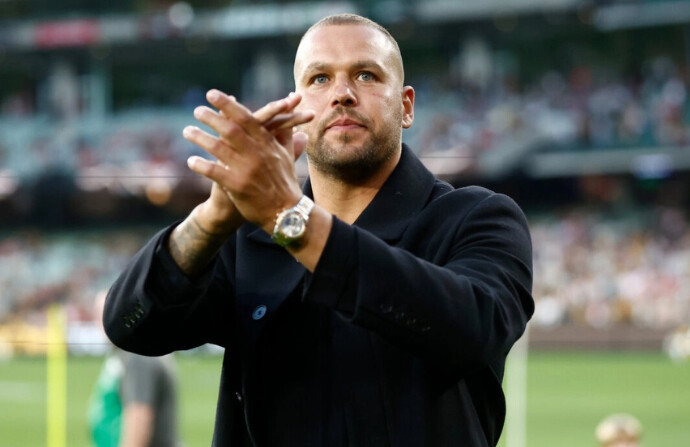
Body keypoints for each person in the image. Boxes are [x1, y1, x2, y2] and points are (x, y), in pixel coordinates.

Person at [103, 13, 534, 447]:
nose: (342, 95)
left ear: (406, 106)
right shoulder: (246, 240)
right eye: (320, 79)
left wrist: (291, 219)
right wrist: (211, 219)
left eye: (365, 75)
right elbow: (130, 325)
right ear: (297, 110)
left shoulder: (476, 217)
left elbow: (476, 330)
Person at [89, 291, 181, 447]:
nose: (99, 323)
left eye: (104, 314)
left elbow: (139, 417)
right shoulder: (127, 352)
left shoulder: (138, 353)